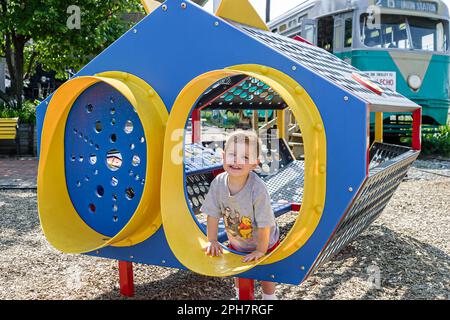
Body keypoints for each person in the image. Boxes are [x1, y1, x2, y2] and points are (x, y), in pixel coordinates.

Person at [201, 130, 280, 300]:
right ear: (223, 156)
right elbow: (212, 214)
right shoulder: (218, 183)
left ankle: (269, 297)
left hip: (265, 241)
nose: (237, 161)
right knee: (239, 270)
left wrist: (260, 250)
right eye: (232, 155)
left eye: (245, 158)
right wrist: (212, 240)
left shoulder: (257, 189)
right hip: (238, 241)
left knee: (266, 272)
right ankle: (240, 296)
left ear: (254, 164)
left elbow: (265, 223)